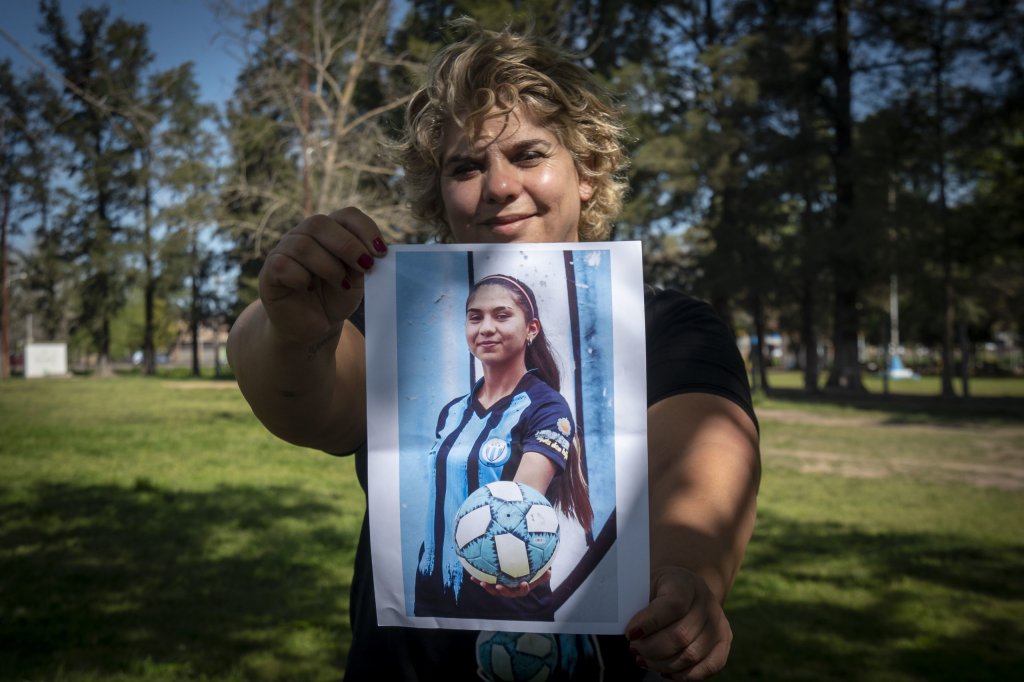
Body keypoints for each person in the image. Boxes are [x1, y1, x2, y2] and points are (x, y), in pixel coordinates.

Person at [228, 19, 760, 682]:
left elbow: (707, 456)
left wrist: (690, 575)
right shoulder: (396, 321)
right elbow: (306, 404)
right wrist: (290, 328)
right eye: (467, 166)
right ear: (439, 194)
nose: (500, 185)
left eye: (529, 155)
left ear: (587, 173)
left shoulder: (670, 325)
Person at [413, 273, 594, 621]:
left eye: (501, 315)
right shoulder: (452, 412)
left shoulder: (546, 408)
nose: (486, 328)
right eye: (475, 317)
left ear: (531, 329)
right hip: (432, 596)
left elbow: (520, 509)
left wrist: (517, 568)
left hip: (503, 597)